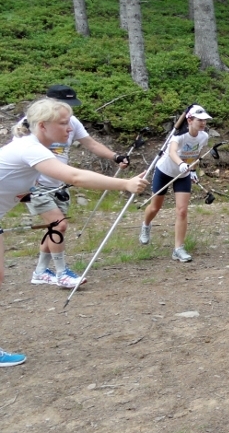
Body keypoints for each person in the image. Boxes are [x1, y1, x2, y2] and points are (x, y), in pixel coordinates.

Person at [0, 99, 148, 367]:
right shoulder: (30, 148)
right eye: (63, 123)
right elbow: (76, 176)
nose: (70, 128)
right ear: (42, 126)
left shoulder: (35, 148)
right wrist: (125, 183)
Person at [17, 86, 131, 289]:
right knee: (58, 225)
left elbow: (91, 143)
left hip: (58, 185)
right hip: (37, 186)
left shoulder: (71, 122)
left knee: (54, 227)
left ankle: (41, 272)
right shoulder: (30, 127)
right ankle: (62, 273)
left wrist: (115, 156)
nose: (68, 112)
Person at [139, 105, 213, 262]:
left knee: (182, 211)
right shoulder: (179, 136)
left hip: (183, 174)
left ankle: (178, 249)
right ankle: (146, 225)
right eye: (200, 120)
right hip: (165, 171)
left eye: (205, 121)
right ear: (190, 120)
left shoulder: (204, 137)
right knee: (155, 207)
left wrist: (192, 170)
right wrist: (181, 163)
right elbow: (172, 152)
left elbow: (196, 154)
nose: (203, 123)